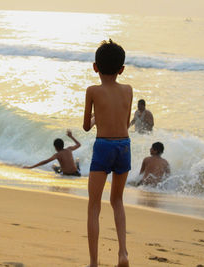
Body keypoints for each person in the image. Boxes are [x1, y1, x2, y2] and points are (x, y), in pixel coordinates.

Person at [83, 39, 133, 267]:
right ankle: (123, 253)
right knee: (118, 200)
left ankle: (94, 262)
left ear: (95, 67)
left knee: (94, 205)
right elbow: (124, 121)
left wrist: (96, 119)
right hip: (124, 145)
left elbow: (86, 126)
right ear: (121, 69)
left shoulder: (92, 91)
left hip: (103, 146)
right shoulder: (128, 90)